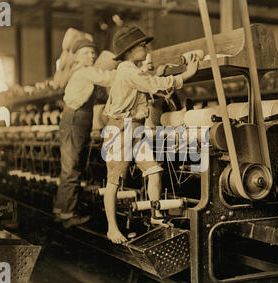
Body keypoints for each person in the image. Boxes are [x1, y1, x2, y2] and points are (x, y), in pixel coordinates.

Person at [102, 25, 199, 244]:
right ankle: (111, 228)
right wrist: (186, 75)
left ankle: (156, 216)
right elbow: (154, 84)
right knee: (114, 181)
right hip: (120, 129)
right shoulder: (127, 70)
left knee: (154, 171)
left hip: (135, 128)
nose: (146, 49)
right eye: (142, 46)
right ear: (129, 51)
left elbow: (151, 82)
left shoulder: (132, 70)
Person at [54, 38, 116, 228]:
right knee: (72, 167)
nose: (92, 55)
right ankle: (68, 215)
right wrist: (128, 69)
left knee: (71, 166)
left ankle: (62, 209)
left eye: (93, 52)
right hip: (76, 120)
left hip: (75, 119)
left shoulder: (78, 72)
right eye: (87, 52)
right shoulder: (85, 72)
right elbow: (108, 78)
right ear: (79, 56)